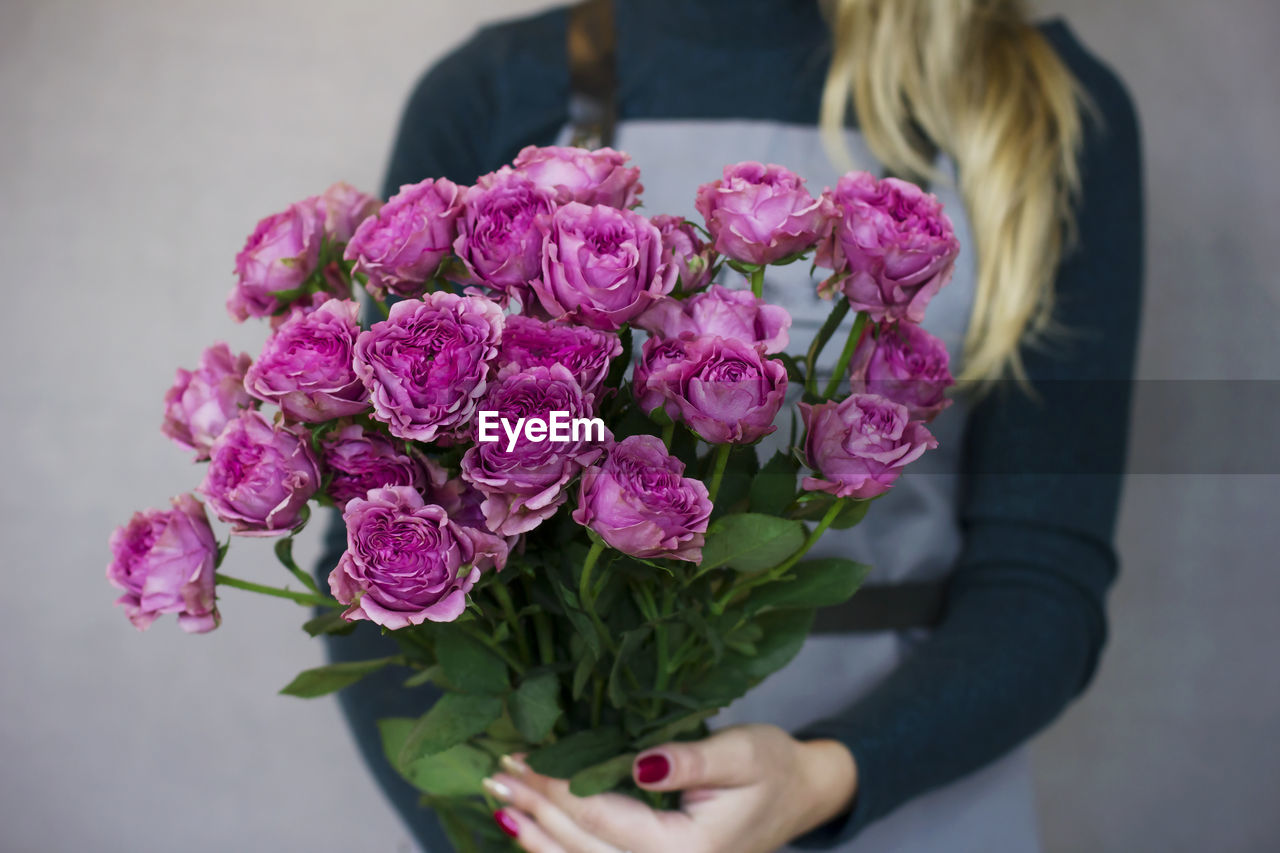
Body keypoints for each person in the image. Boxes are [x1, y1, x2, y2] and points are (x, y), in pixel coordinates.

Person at [316, 0, 1143, 850]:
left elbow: (1042, 574)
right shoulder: (496, 86)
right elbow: (374, 540)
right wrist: (509, 826)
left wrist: (828, 775)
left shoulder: (1040, 104)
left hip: (913, 802)